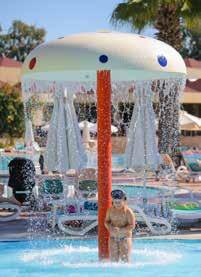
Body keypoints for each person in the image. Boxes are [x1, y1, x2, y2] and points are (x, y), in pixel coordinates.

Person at [105, 189, 135, 263]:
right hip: (113, 237)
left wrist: (121, 230)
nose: (117, 204)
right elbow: (106, 222)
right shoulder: (110, 210)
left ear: (124, 201)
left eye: (119, 202)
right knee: (113, 261)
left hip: (125, 237)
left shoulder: (128, 212)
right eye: (115, 202)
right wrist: (110, 228)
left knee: (125, 260)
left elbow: (132, 225)